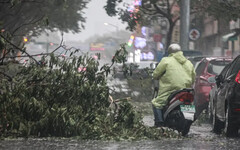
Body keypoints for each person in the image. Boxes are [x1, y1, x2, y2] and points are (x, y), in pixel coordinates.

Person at [152, 43, 196, 127]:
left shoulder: (166, 60)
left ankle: (159, 124)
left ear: (170, 52)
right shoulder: (188, 62)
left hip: (169, 90)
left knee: (156, 103)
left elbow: (156, 74)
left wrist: (156, 76)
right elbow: (193, 77)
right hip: (186, 90)